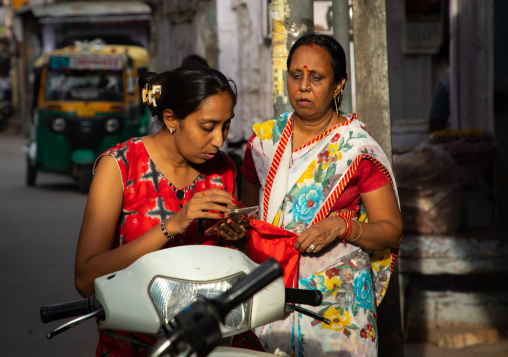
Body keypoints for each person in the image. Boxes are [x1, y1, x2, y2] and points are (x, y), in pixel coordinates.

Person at [241, 34, 403, 356]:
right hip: (273, 294)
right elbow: (248, 215)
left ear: (338, 84)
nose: (303, 87)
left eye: (316, 78)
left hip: (339, 307)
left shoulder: (357, 150)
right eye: (296, 75)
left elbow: (391, 230)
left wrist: (343, 227)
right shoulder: (263, 144)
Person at [74, 64, 249, 356]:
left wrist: (236, 239)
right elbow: (85, 280)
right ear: (171, 119)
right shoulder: (120, 168)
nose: (219, 140)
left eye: (226, 125)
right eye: (208, 127)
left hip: (214, 342)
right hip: (134, 346)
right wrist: (173, 225)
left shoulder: (224, 170)